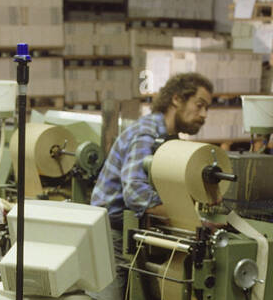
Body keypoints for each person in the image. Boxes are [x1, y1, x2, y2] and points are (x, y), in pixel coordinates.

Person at [91, 72, 213, 232]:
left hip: (138, 227)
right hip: (113, 233)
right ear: (177, 99)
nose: (204, 114)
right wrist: (193, 223)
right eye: (199, 105)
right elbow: (136, 193)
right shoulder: (147, 134)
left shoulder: (170, 139)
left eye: (207, 108)